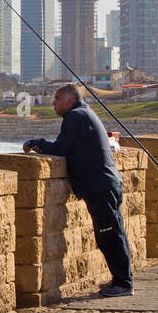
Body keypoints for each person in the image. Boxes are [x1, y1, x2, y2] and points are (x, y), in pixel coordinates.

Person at [23, 83, 134, 297]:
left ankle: (123, 283)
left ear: (69, 101)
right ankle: (121, 280)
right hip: (105, 184)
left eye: (57, 99)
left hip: (99, 186)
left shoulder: (75, 117)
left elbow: (59, 148)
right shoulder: (84, 113)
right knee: (113, 233)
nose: (53, 103)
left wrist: (35, 143)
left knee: (109, 235)